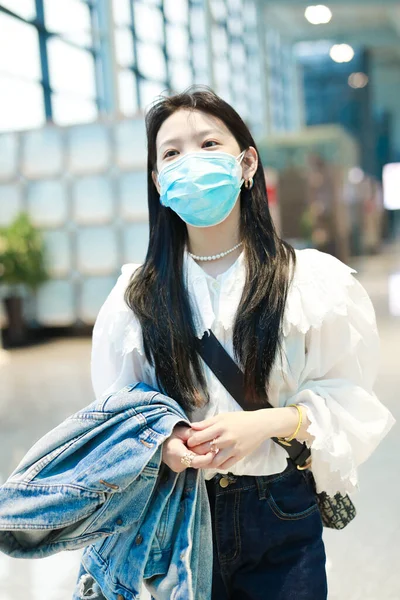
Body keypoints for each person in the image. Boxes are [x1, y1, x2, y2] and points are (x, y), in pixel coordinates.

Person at [91, 86, 396, 600]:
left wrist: (267, 422)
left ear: (246, 162)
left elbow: (348, 399)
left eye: (209, 144)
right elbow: (117, 417)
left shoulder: (308, 283)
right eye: (172, 153)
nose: (191, 161)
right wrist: (162, 445)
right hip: (181, 520)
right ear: (158, 182)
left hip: (279, 512)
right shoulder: (133, 299)